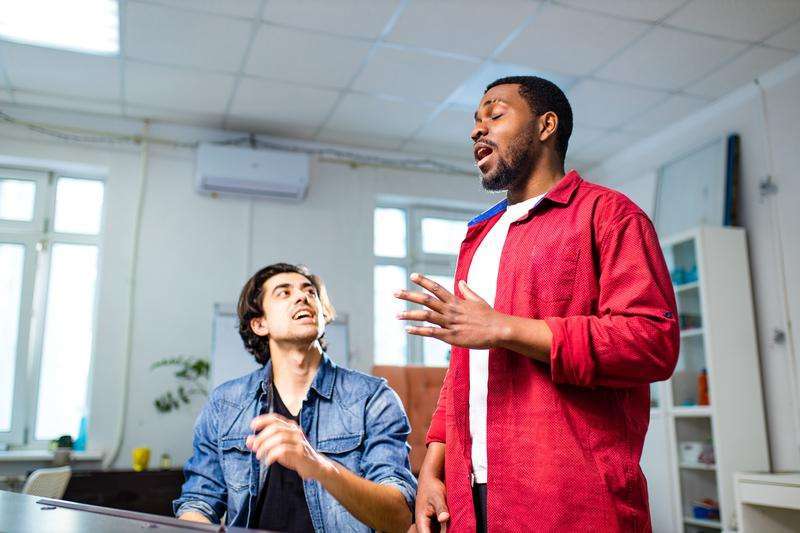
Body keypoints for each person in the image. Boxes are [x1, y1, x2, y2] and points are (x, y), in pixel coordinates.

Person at [396, 76, 679, 532]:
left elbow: (652, 341)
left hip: (572, 498)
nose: (476, 130)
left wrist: (505, 328)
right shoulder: (479, 238)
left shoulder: (609, 215)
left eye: (495, 113)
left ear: (546, 125)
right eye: (475, 120)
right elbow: (464, 371)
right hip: (472, 498)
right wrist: (433, 469)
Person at [174, 263, 416, 532]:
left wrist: (317, 465)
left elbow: (399, 517)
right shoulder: (224, 404)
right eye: (284, 292)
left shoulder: (373, 398)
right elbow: (199, 502)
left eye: (310, 291)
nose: (302, 297)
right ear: (260, 323)